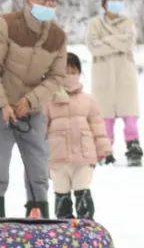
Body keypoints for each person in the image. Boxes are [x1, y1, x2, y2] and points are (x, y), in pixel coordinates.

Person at [0, 0, 67, 218]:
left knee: (38, 171)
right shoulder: (6, 24)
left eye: (52, 0)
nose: (46, 4)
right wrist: (2, 103)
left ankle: (38, 223)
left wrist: (31, 101)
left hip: (32, 111)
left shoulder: (58, 37)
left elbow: (56, 77)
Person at [44, 53, 110, 219]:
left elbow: (98, 127)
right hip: (58, 160)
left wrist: (103, 148)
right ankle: (64, 228)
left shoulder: (88, 100)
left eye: (74, 71)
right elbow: (40, 132)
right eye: (66, 71)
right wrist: (39, 158)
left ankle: (87, 226)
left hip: (84, 158)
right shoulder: (47, 101)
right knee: (61, 195)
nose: (70, 76)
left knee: (83, 192)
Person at [86, 0, 141, 166]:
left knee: (130, 115)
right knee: (104, 116)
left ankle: (133, 147)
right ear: (104, 3)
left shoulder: (128, 23)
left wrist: (106, 42)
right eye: (112, 0)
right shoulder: (94, 24)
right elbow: (94, 46)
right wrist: (117, 41)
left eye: (119, 0)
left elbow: (129, 43)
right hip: (103, 75)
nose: (116, 3)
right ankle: (104, 149)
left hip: (124, 74)